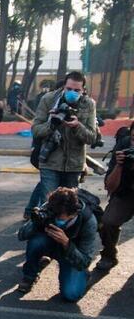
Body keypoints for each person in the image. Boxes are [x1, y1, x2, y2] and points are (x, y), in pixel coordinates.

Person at [17, 187, 97, 301]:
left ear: (74, 214)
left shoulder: (88, 221)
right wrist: (36, 223)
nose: (57, 220)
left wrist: (66, 243)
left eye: (61, 218)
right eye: (55, 216)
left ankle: (83, 276)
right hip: (49, 243)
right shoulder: (49, 208)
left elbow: (85, 261)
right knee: (36, 242)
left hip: (70, 254)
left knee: (71, 294)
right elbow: (21, 235)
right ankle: (29, 276)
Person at [31, 71, 97, 201]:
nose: (72, 93)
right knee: (49, 205)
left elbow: (92, 138)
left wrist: (77, 126)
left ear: (83, 90)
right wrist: (52, 124)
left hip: (74, 164)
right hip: (50, 161)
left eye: (77, 90)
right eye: (69, 89)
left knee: (68, 207)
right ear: (63, 87)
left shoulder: (89, 104)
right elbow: (36, 130)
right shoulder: (48, 99)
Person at [95, 122, 134, 272]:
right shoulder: (123, 147)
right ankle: (109, 255)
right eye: (133, 139)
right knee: (107, 221)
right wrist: (119, 166)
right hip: (125, 193)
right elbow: (109, 186)